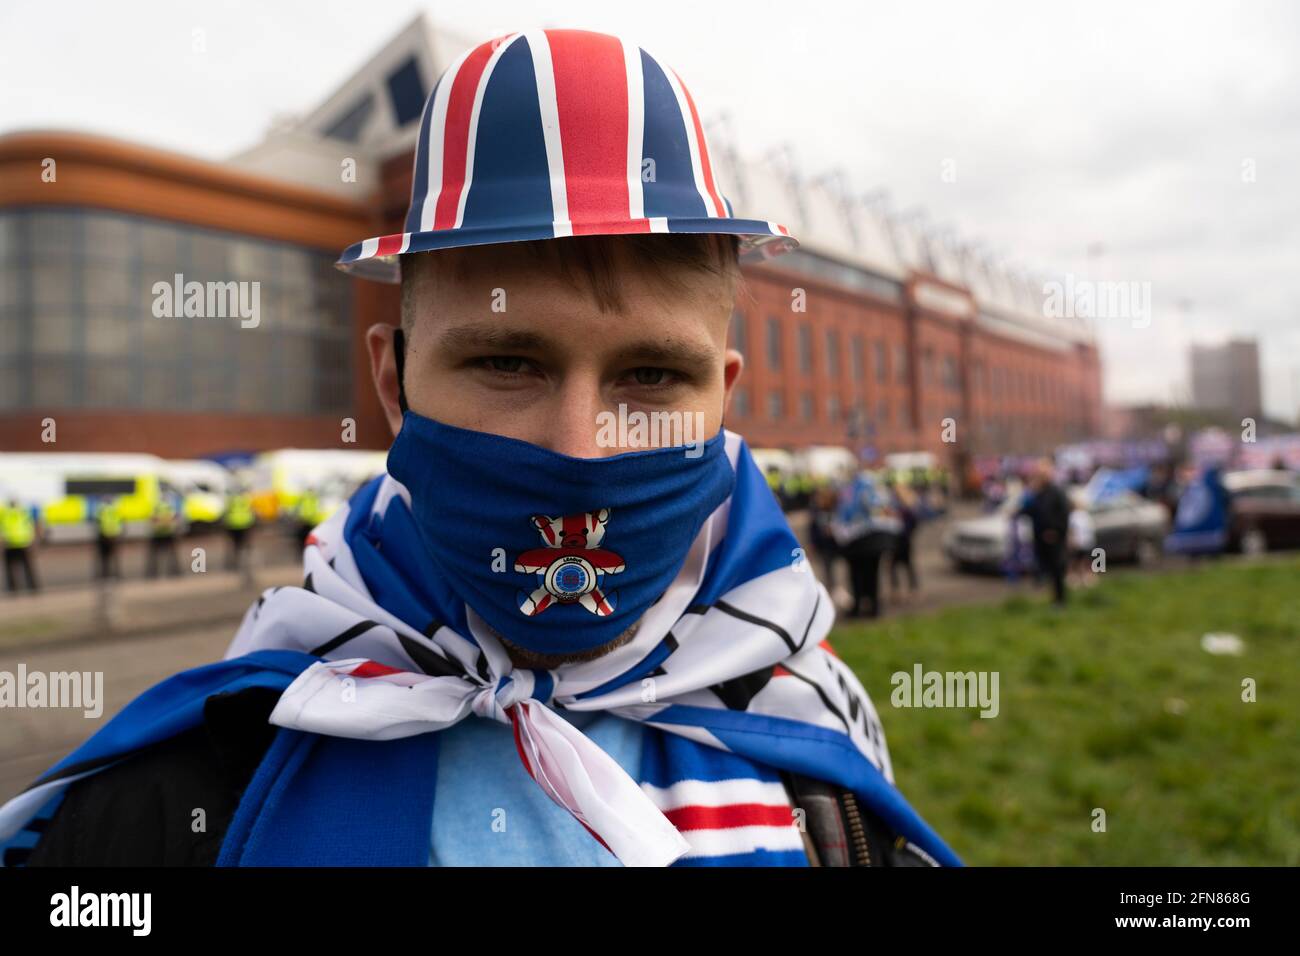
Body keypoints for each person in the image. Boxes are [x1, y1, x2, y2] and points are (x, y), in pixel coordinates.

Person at [4, 29, 957, 870]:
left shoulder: (817, 752)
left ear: (723, 400)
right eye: (509, 361)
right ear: (394, 385)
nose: (581, 452)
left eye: (652, 378)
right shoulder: (186, 792)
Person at [1018, 459, 1070, 605]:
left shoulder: (1057, 492)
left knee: (1057, 570)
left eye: (1042, 474)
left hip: (1053, 538)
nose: (1039, 477)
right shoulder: (1038, 493)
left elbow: (1064, 514)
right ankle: (1050, 596)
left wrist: (1056, 532)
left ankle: (1060, 601)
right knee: (1045, 568)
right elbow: (1032, 510)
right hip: (1040, 538)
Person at [887, 481, 919, 599]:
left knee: (905, 565)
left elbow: (912, 524)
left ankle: (908, 589)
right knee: (897, 566)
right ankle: (899, 589)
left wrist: (904, 529)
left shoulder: (906, 508)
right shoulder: (898, 506)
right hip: (897, 540)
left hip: (902, 540)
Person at [1, 499, 39, 594]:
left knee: (10, 568)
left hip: (10, 544)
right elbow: (32, 526)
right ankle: (33, 587)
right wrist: (33, 542)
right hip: (24, 543)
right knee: (28, 568)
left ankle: (13, 589)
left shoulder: (5, 514)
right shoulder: (23, 513)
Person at [146, 498, 181, 578]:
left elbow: (152, 519)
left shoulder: (157, 508)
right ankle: (175, 572)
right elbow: (175, 518)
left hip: (157, 534)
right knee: (172, 556)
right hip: (168, 533)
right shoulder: (169, 508)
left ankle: (152, 574)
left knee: (154, 557)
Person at [223, 488, 256, 572]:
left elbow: (226, 512)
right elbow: (252, 511)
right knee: (246, 545)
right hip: (245, 524)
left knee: (235, 545)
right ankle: (246, 563)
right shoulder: (246, 499)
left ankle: (236, 563)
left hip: (233, 524)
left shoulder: (230, 500)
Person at [1067, 496, 1096, 588]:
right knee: (1075, 560)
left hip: (1086, 541)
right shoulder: (1073, 516)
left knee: (1085, 559)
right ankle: (1073, 577)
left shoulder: (1085, 515)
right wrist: (1071, 540)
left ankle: (1085, 577)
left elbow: (1089, 528)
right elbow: (1071, 530)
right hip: (1077, 541)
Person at [94, 496, 123, 580]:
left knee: (104, 558)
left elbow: (98, 522)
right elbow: (121, 522)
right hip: (114, 536)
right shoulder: (116, 509)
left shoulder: (102, 510)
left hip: (104, 536)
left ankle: (105, 575)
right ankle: (116, 575)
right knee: (114, 557)